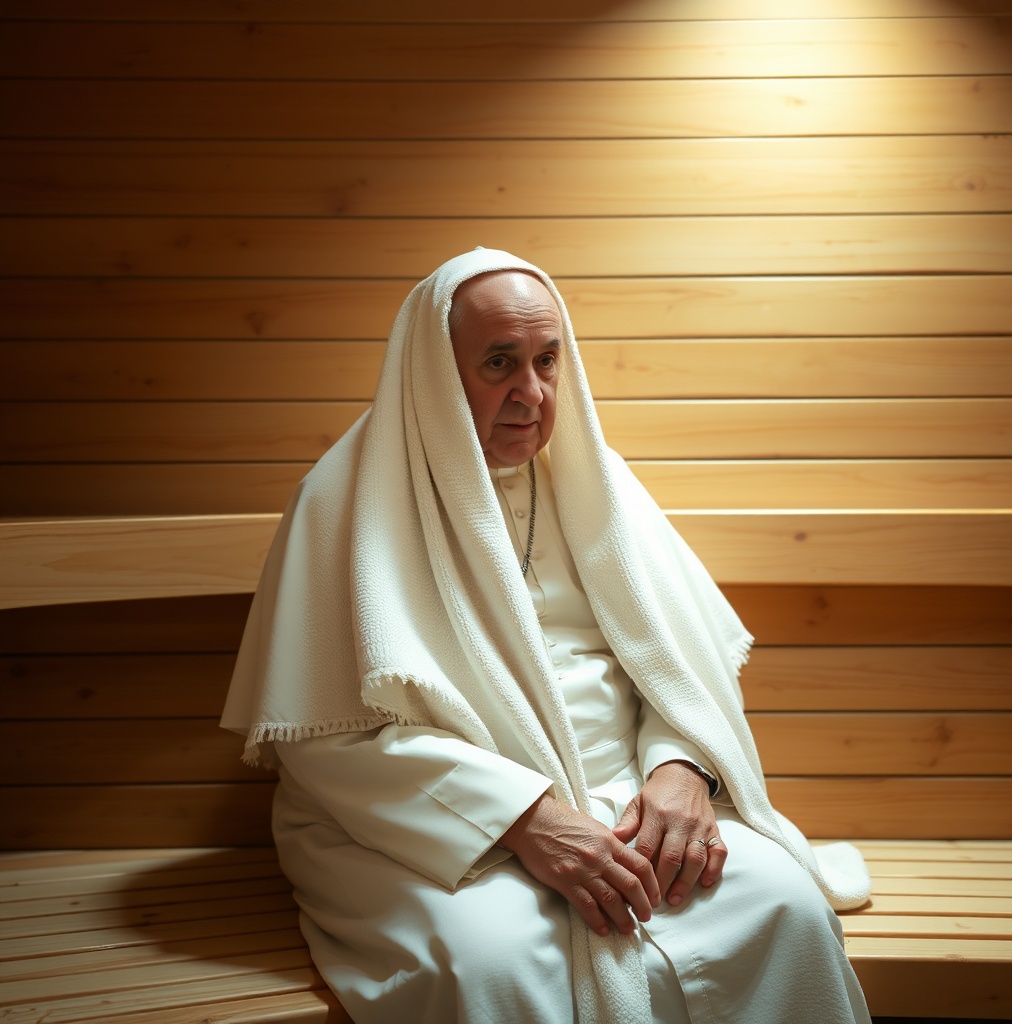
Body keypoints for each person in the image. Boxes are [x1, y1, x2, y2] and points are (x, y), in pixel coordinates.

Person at [221, 248, 872, 1024]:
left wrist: (682, 770)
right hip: (436, 829)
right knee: (498, 963)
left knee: (782, 906)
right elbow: (325, 741)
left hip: (627, 800)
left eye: (546, 360)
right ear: (433, 370)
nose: (531, 393)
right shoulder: (344, 503)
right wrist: (525, 819)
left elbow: (681, 668)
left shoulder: (596, 484)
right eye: (499, 362)